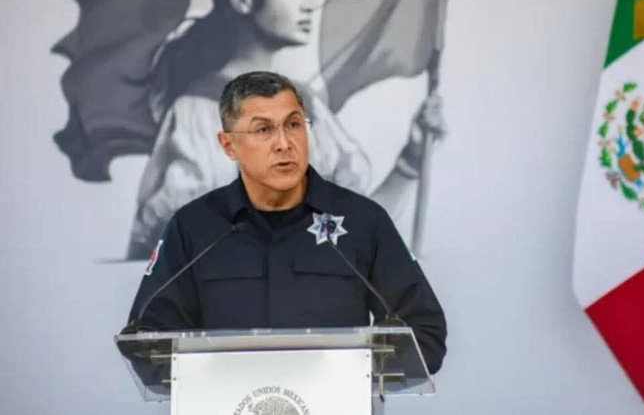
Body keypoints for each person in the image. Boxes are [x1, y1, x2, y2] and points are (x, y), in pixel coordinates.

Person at [128, 0, 445, 260]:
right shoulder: (201, 109)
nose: (308, 4)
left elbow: (355, 236)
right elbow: (180, 245)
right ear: (243, 0)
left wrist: (411, 159)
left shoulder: (309, 107)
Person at [125, 71, 447, 375]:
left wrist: (351, 371)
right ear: (229, 145)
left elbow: (425, 336)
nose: (283, 143)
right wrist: (220, 375)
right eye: (263, 130)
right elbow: (147, 341)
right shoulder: (194, 227)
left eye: (293, 125)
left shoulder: (364, 222)